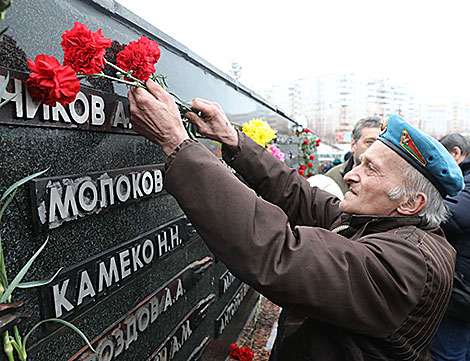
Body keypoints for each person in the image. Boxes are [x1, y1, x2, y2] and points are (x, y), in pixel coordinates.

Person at [128, 81, 464, 361]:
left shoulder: (405, 263)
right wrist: (232, 138)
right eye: (359, 162)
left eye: (370, 169)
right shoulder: (385, 223)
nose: (351, 175)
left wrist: (177, 143)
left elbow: (278, 253)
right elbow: (301, 196)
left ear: (411, 202)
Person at [429, 133, 470, 361]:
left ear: (455, 153)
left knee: (448, 352)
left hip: (462, 287)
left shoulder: (466, 180)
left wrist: (419, 202)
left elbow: (453, 216)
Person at [326, 117, 381, 195]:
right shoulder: (332, 178)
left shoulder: (390, 181)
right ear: (353, 145)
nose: (375, 148)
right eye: (370, 142)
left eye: (380, 144)